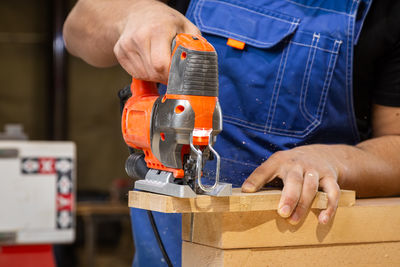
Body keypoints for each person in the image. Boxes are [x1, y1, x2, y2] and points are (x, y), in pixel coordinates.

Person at [64, 0, 400, 266]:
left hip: (298, 250)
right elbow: (78, 25)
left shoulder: (384, 11)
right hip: (166, 251)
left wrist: (333, 159)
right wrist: (132, 12)